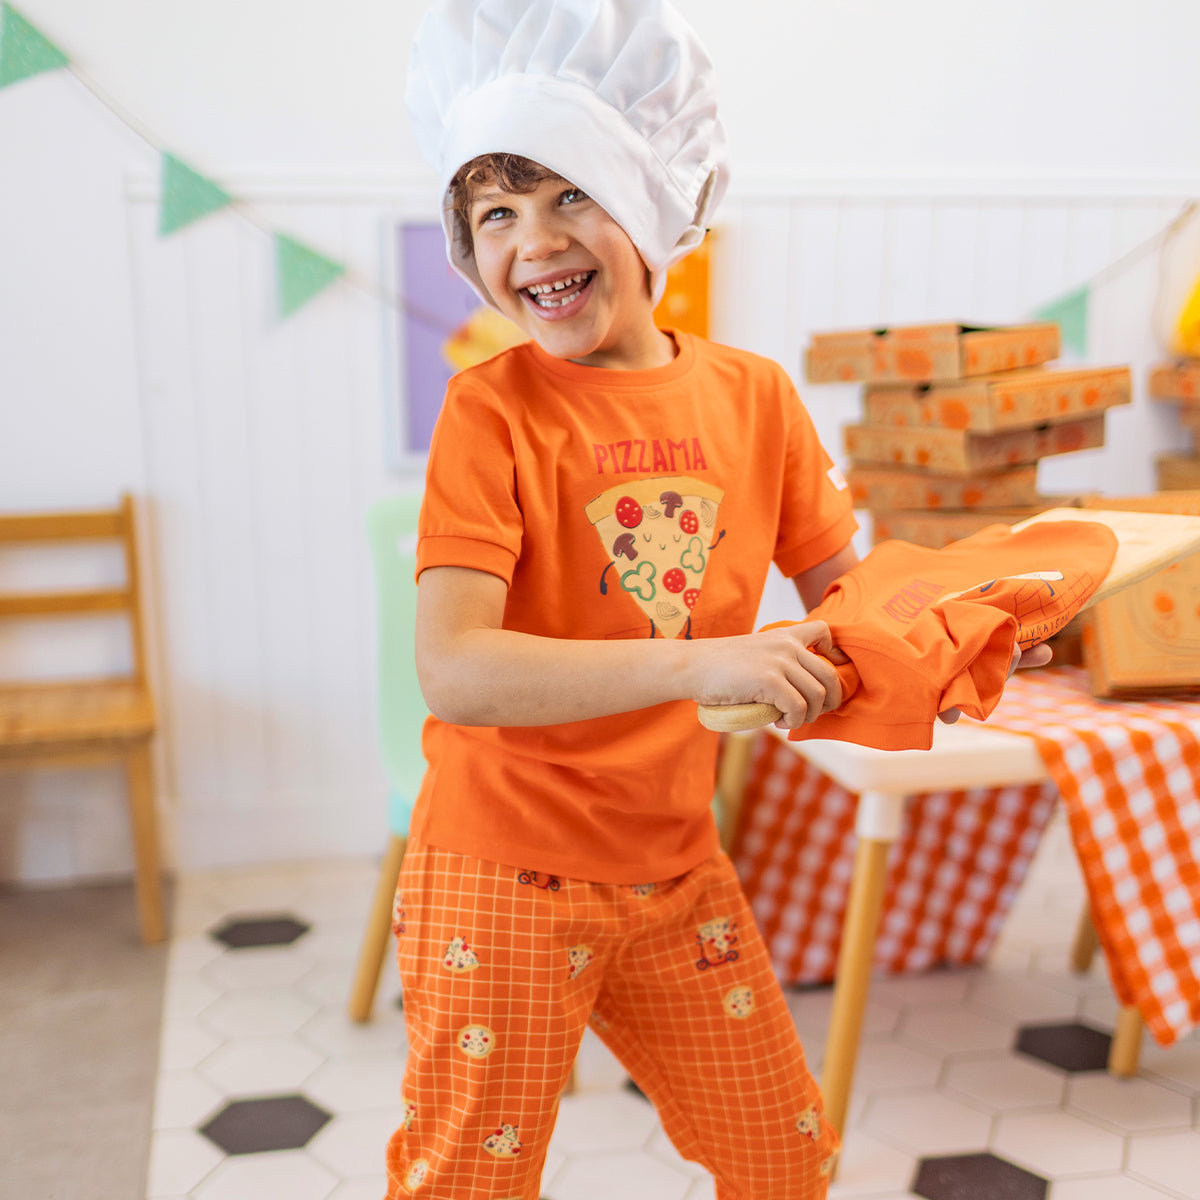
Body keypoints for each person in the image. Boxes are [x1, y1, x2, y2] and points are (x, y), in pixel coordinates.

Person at [389, 3, 1045, 1197]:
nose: (533, 240)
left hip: (677, 864)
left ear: (646, 204)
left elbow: (852, 598)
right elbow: (458, 670)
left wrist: (983, 624)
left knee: (782, 1158)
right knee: (466, 1185)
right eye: (495, 213)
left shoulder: (755, 397)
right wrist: (707, 663)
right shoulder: (491, 412)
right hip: (499, 870)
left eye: (567, 194)